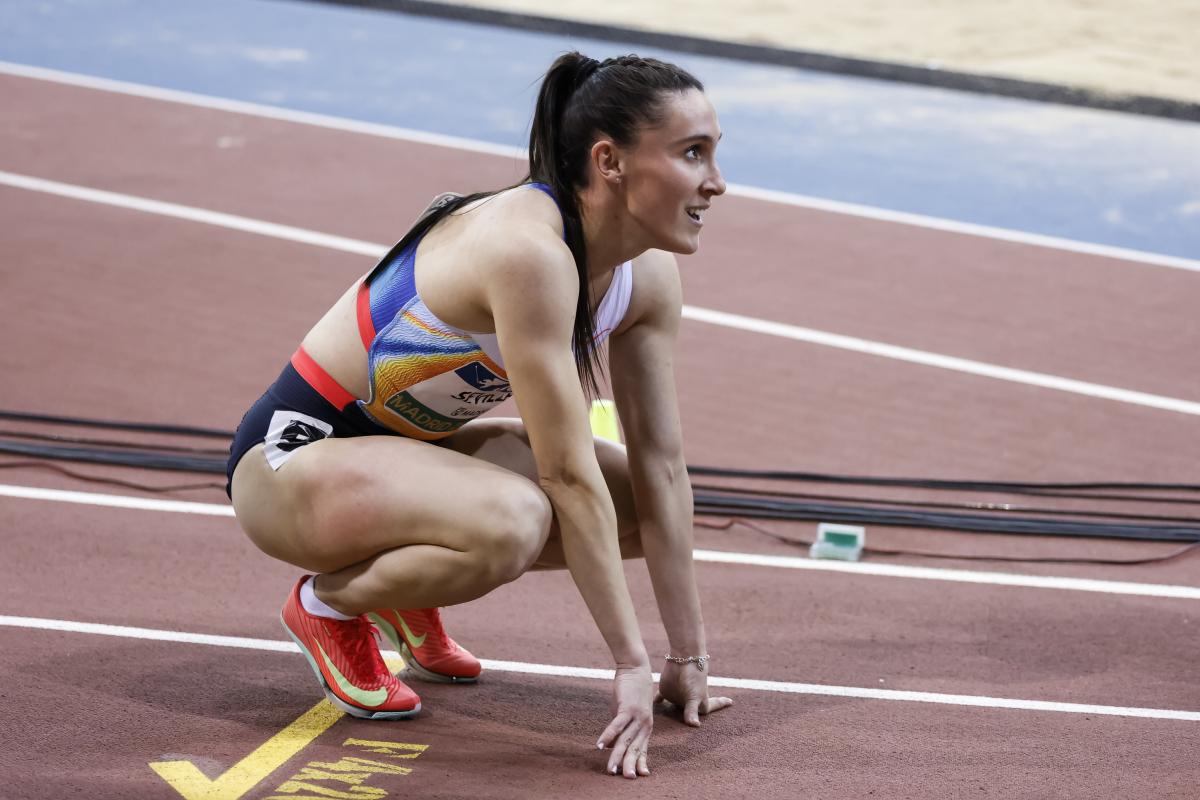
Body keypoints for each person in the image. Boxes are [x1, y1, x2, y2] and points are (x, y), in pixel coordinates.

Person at [226, 51, 731, 780]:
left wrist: (687, 659)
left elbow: (663, 466)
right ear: (610, 160)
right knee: (514, 521)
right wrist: (629, 664)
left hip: (412, 460)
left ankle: (412, 586)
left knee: (640, 500)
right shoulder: (527, 251)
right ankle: (329, 605)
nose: (717, 182)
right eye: (693, 154)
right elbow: (564, 471)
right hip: (290, 467)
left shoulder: (646, 274)